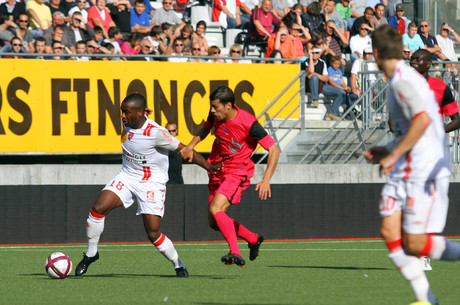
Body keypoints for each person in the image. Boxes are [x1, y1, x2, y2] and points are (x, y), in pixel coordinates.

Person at [364, 24, 460, 305]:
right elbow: (413, 128)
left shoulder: (404, 81)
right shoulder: (400, 79)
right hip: (408, 165)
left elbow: (423, 121)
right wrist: (389, 148)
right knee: (390, 233)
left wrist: (393, 154)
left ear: (377, 52)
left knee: (416, 243)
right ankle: (425, 299)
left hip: (424, 170)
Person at [75, 93, 219, 278]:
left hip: (151, 184)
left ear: (139, 112)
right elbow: (135, 120)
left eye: (127, 112)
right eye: (122, 111)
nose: (123, 116)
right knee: (97, 209)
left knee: (153, 233)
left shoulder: (157, 134)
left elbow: (185, 149)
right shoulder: (127, 122)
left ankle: (178, 264)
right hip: (127, 177)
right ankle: (91, 254)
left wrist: (208, 166)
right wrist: (140, 114)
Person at [179, 86, 280, 267]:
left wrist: (266, 179)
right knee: (214, 221)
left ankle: (235, 251)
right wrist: (190, 146)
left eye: (215, 107)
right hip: (218, 171)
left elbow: (274, 149)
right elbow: (205, 128)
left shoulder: (248, 123)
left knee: (216, 209)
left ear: (228, 106)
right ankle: (253, 238)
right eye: (211, 107)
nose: (211, 111)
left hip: (237, 172)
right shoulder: (216, 116)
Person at [410, 49, 460, 133]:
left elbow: (457, 121)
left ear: (428, 64)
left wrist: (437, 131)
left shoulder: (441, 88)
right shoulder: (400, 85)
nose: (412, 62)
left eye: (418, 60)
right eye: (412, 59)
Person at [323, 55, 354, 120]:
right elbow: (331, 82)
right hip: (329, 87)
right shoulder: (330, 69)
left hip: (339, 89)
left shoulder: (339, 71)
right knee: (341, 92)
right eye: (335, 64)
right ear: (331, 63)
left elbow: (342, 82)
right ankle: (332, 113)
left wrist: (346, 88)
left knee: (352, 94)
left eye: (338, 64)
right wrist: (342, 88)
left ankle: (349, 112)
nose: (336, 66)